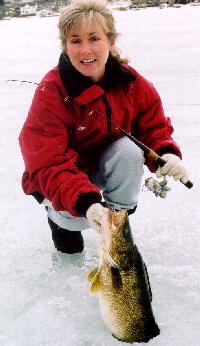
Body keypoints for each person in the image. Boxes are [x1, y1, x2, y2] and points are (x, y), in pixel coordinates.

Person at [19, 0, 189, 254]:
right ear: (66, 47)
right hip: (63, 177)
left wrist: (166, 153)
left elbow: (152, 126)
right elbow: (48, 161)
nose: (86, 50)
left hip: (102, 165)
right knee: (73, 220)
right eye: (75, 41)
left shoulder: (131, 81)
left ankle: (117, 224)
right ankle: (62, 227)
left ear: (110, 41)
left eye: (94, 38)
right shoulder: (51, 91)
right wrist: (87, 202)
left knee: (129, 151)